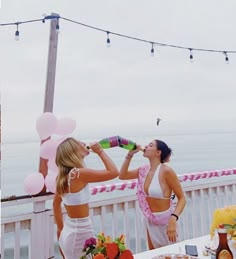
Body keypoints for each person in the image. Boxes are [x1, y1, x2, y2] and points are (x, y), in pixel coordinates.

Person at [53, 137, 119, 259]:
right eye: (80, 143)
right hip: (79, 233)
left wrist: (60, 229)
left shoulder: (63, 177)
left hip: (70, 230)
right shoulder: (78, 174)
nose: (84, 143)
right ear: (72, 152)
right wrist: (100, 151)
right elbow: (114, 172)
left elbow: (55, 204)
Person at [119, 139, 186, 249]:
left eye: (150, 145)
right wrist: (130, 154)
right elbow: (122, 175)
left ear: (158, 152)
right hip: (150, 220)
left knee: (173, 254)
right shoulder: (144, 170)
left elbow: (182, 198)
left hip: (167, 222)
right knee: (154, 254)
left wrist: (173, 219)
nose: (146, 146)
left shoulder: (166, 171)